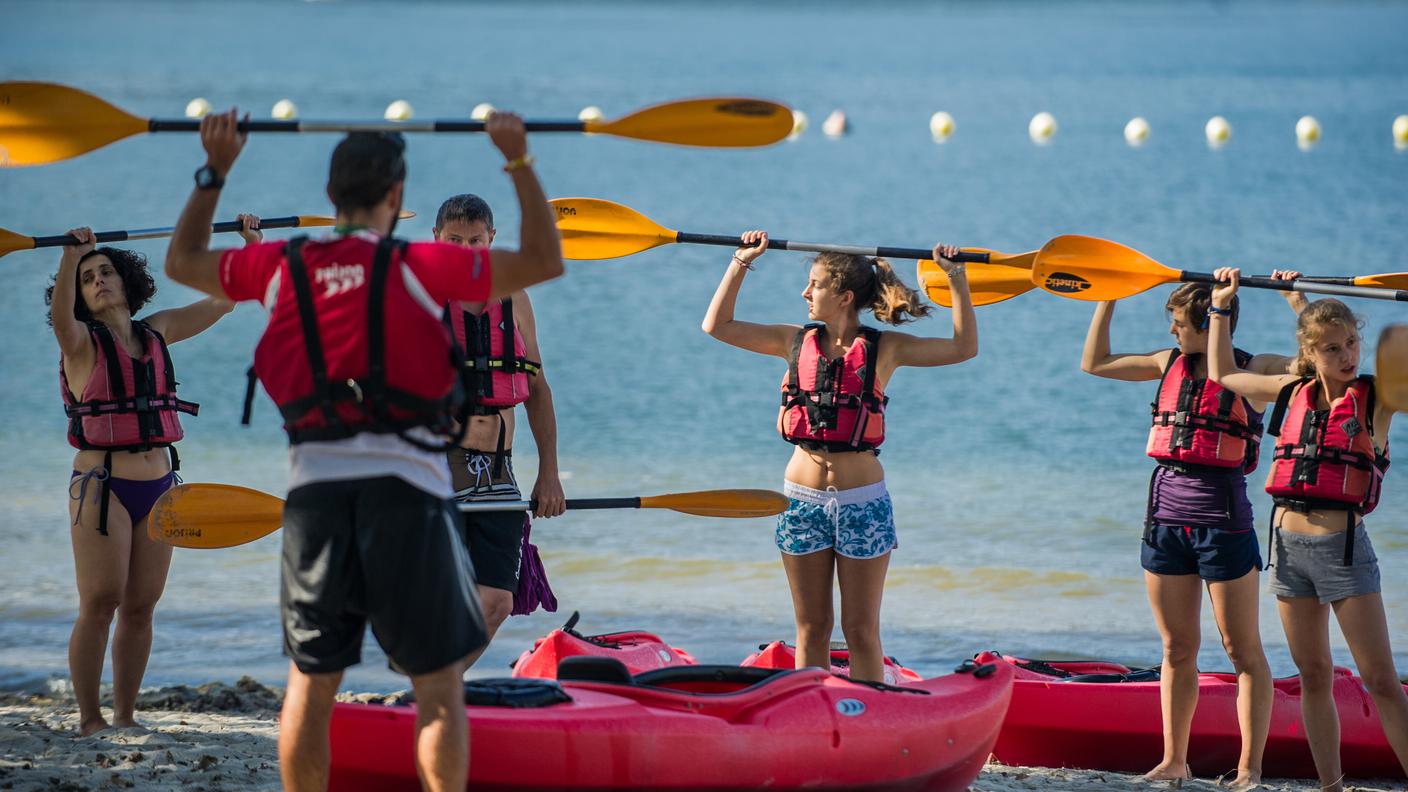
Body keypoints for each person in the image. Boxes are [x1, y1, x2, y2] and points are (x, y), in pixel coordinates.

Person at [163, 109, 563, 792]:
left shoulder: (280, 265)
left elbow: (181, 263)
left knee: (312, 685)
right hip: (408, 495)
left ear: (330, 198)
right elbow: (543, 260)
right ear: (398, 199)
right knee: (437, 687)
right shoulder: (423, 266)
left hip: (314, 498)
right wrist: (518, 161)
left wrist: (215, 172)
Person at [702, 231, 975, 682]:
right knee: (812, 628)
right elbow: (717, 325)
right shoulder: (791, 341)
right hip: (801, 503)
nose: (806, 292)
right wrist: (741, 261)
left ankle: (868, 717)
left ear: (844, 296)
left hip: (863, 505)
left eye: (816, 284)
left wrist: (957, 279)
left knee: (861, 630)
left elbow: (963, 348)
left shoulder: (885, 349)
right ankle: (814, 716)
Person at [1079, 278, 1304, 787]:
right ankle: (1173, 760)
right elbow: (1095, 362)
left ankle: (1249, 768)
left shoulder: (1255, 370)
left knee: (1241, 649)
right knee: (1176, 648)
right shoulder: (1167, 363)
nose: (1172, 331)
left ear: (1208, 324)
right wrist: (1106, 299)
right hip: (1163, 521)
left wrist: (1296, 302)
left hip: (1224, 524)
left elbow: (1309, 366)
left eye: (1179, 324)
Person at [48, 218, 252, 735]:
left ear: (127, 282)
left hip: (160, 485)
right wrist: (73, 256)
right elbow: (59, 323)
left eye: (106, 271)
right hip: (102, 486)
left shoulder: (156, 331)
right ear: (79, 293)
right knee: (100, 601)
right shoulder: (79, 344)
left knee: (141, 606)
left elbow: (224, 301)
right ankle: (90, 718)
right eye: (88, 277)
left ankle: (125, 715)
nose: (99, 281)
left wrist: (251, 247)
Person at [1208, 269, 1407, 792]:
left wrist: (1302, 302)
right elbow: (1224, 372)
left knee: (1383, 682)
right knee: (1315, 676)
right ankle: (1329, 787)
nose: (1347, 356)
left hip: (1344, 552)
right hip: (1288, 551)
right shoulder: (1290, 389)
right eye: (1333, 349)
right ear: (1311, 354)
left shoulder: (1377, 399)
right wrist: (1221, 308)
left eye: (1353, 343)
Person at [433, 193, 565, 666]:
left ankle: (436, 689)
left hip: (497, 471)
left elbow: (538, 390)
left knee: (496, 601)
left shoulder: (515, 299)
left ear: (491, 240)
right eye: (454, 240)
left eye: (475, 240)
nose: (466, 250)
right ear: (436, 240)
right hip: (433, 467)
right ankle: (431, 697)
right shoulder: (419, 297)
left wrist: (549, 472)